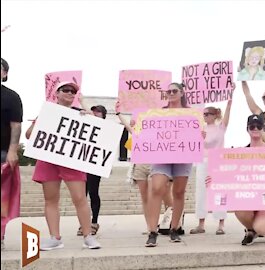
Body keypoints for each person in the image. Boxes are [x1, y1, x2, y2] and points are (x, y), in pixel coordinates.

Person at [25, 81, 101, 250]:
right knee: (51, 199)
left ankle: (88, 235)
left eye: (73, 91)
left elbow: (98, 130)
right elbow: (29, 135)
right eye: (65, 90)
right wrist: (38, 121)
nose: (69, 93)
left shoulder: (80, 114)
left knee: (80, 198)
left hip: (71, 160)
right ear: (56, 94)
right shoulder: (47, 112)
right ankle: (55, 237)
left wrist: (87, 113)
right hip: (48, 159)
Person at [207, 114, 265, 246]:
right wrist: (214, 182)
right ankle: (251, 229)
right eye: (252, 126)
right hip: (250, 201)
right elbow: (231, 178)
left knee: (262, 228)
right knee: (239, 209)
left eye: (259, 126)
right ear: (247, 129)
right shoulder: (242, 153)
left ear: (263, 128)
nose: (255, 129)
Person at [145, 82, 194, 247]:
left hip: (184, 154)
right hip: (162, 154)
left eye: (174, 90)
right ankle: (152, 231)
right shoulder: (159, 113)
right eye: (169, 91)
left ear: (181, 93)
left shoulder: (191, 113)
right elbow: (147, 131)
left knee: (179, 192)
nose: (171, 93)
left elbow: (197, 134)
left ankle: (174, 228)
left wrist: (200, 133)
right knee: (157, 187)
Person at [115, 101, 174, 236]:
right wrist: (118, 113)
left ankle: (167, 220)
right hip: (139, 164)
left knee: (155, 195)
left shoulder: (159, 131)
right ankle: (150, 226)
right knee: (145, 197)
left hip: (155, 164)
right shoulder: (137, 131)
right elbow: (127, 126)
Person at [191, 99, 233, 235]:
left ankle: (221, 224)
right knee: (201, 192)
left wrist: (229, 102)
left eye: (208, 113)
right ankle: (201, 224)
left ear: (215, 115)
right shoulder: (200, 129)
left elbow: (227, 115)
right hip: (202, 161)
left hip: (218, 162)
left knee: (219, 192)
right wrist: (199, 138)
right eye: (204, 114)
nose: (206, 116)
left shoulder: (221, 127)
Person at [1, 58, 23, 250]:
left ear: (5, 74)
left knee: (2, 197)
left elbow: (16, 125)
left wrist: (12, 150)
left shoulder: (11, 97)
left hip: (2, 153)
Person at [75, 105, 108, 236]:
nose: (95, 114)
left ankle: (94, 221)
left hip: (95, 165)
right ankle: (84, 223)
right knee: (82, 195)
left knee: (93, 192)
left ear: (103, 115)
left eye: (98, 112)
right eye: (94, 111)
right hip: (82, 163)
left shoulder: (106, 128)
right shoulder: (86, 124)